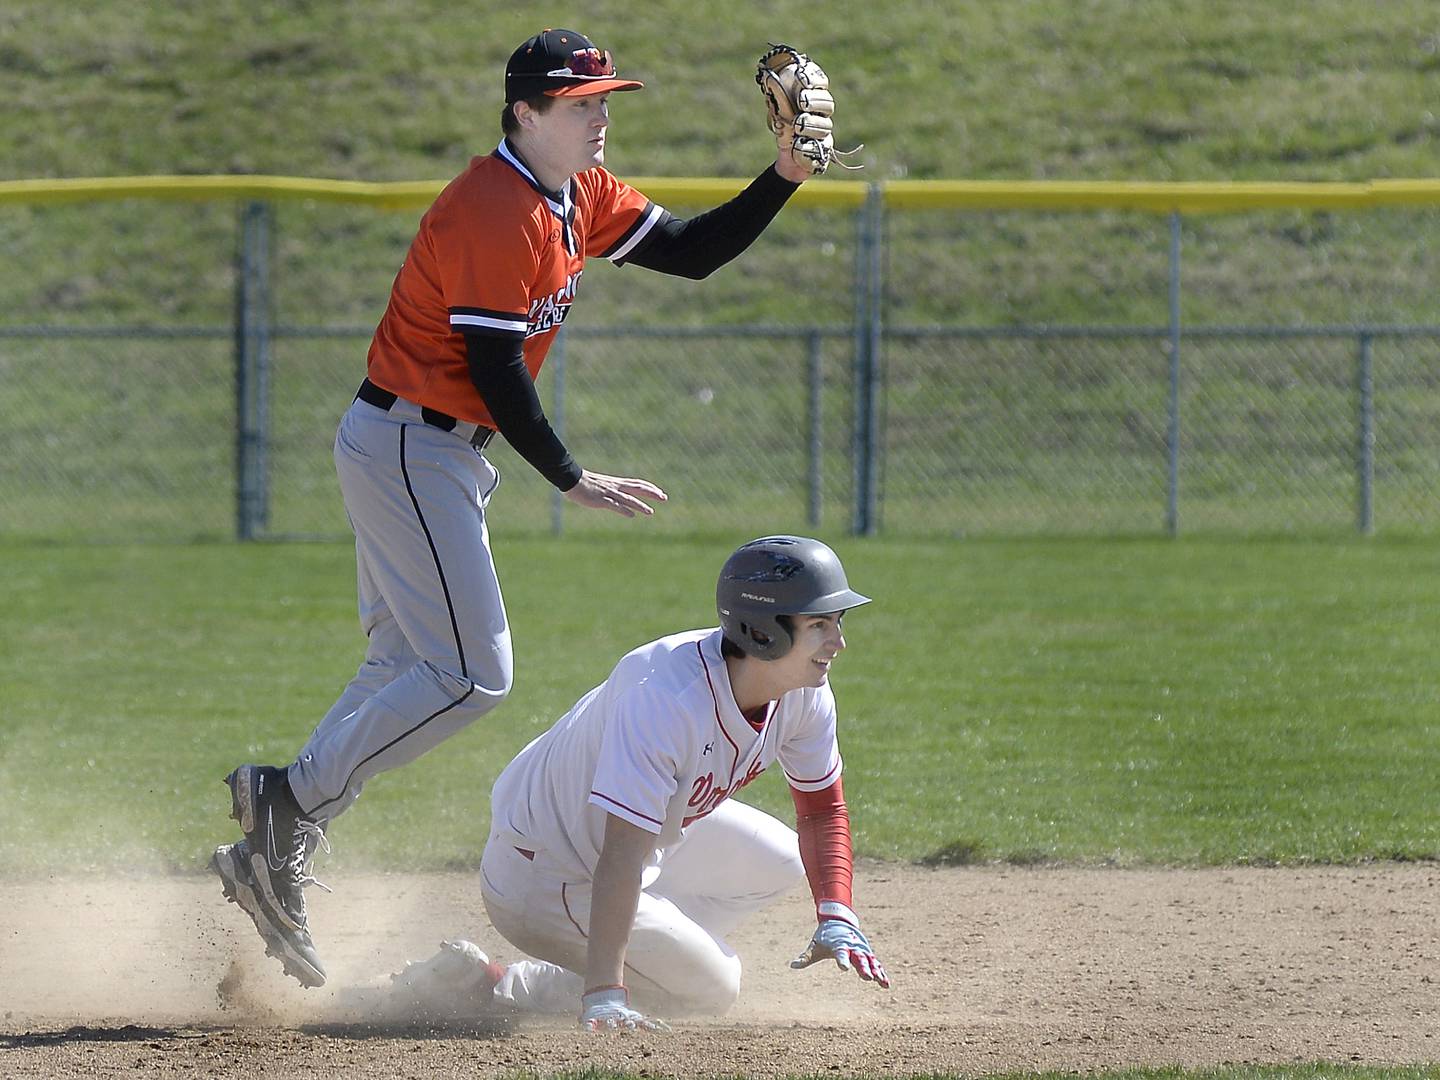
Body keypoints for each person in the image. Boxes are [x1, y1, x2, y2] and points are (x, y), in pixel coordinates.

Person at [209, 29, 826, 989]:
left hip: (422, 447)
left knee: (406, 664)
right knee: (473, 675)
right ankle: (285, 803)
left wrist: (781, 176)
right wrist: (570, 475)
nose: (602, 118)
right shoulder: (495, 207)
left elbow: (694, 253)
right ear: (526, 114)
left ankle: (279, 830)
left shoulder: (576, 194)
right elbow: (496, 368)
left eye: (605, 101)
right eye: (582, 105)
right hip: (415, 442)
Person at [385, 535, 890, 1031]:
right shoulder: (665, 697)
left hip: (623, 841)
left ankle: (645, 957)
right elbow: (620, 855)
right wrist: (607, 993)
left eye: (837, 622)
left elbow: (822, 813)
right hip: (546, 872)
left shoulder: (802, 692)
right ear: (763, 633)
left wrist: (836, 911)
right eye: (820, 624)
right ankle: (494, 984)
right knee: (712, 988)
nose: (838, 642)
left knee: (784, 859)